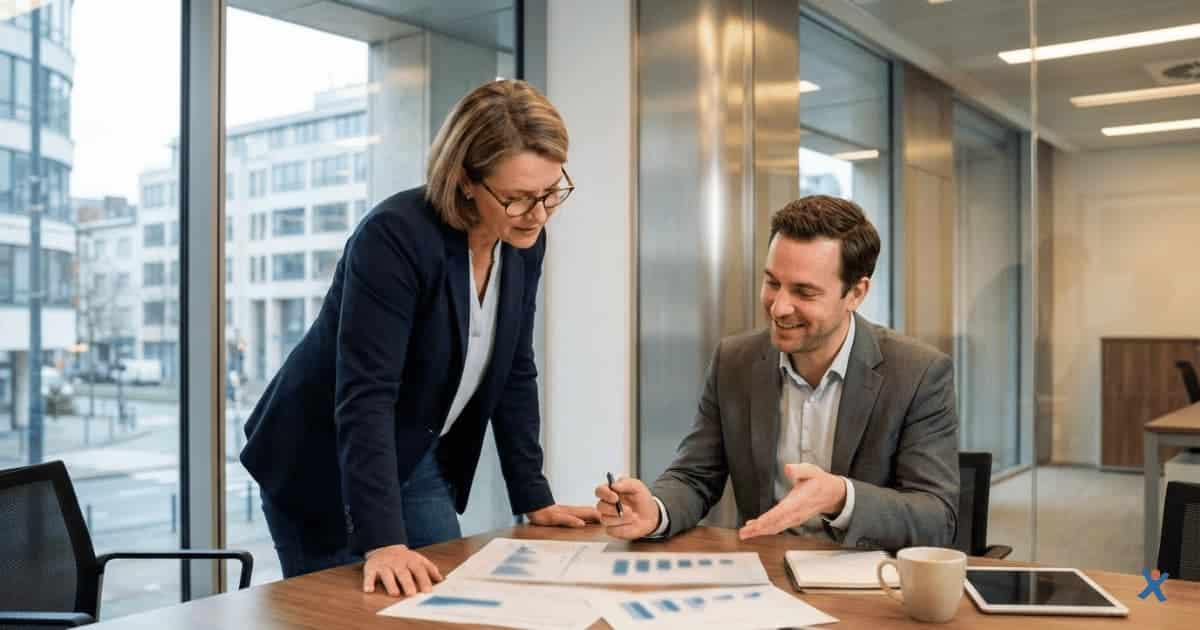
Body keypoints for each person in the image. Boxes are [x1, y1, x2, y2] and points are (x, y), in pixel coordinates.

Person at [241, 79, 599, 595]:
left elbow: (515, 370)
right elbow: (367, 393)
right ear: (466, 181)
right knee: (349, 612)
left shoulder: (521, 243)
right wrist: (383, 541)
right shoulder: (394, 236)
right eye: (519, 198)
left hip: (416, 452)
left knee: (447, 600)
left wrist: (533, 496)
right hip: (320, 462)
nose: (539, 214)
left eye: (550, 192)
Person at [595, 196, 959, 551]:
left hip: (868, 589)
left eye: (804, 292)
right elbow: (695, 476)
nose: (780, 307)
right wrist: (655, 513)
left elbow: (936, 518)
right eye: (772, 283)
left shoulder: (918, 373)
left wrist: (840, 497)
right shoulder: (734, 360)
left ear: (856, 293)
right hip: (764, 578)